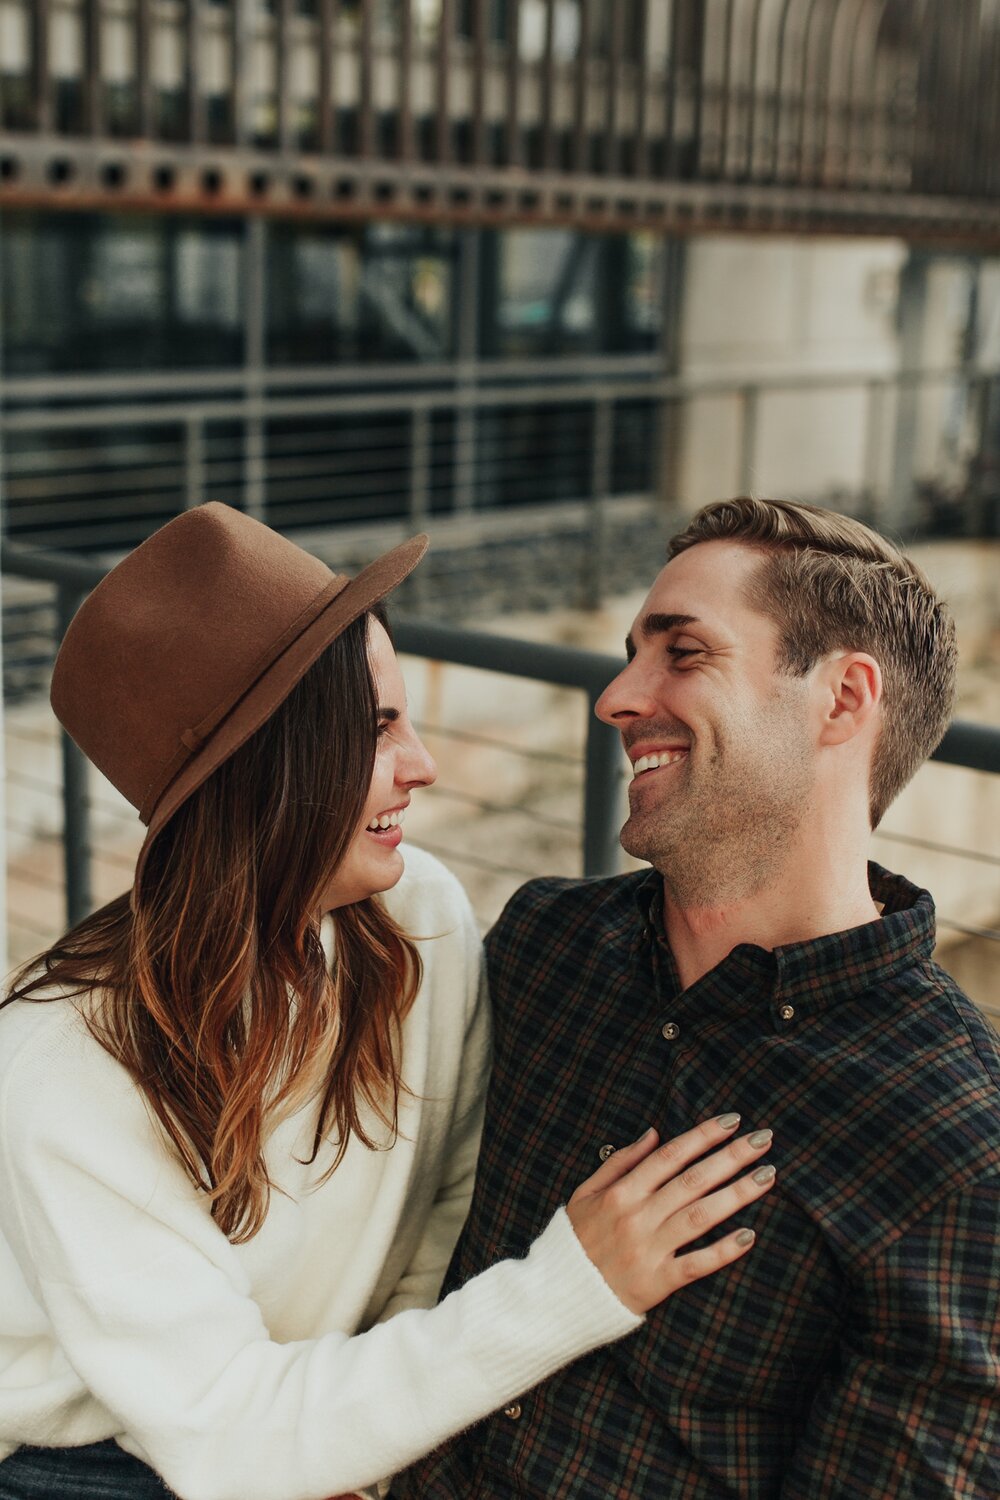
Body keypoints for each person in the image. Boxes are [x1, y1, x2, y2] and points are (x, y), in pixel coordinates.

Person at [0, 502, 778, 1500]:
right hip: (89, 1462)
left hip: (286, 1425)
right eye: (377, 730)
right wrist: (574, 1285)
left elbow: (436, 1203)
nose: (423, 763)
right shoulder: (63, 1066)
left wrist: (360, 1452)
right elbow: (225, 1441)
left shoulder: (423, 917)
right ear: (268, 772)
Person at [400, 497, 1000, 1499]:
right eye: (633, 653)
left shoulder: (956, 1147)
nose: (616, 698)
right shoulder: (542, 946)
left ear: (843, 701)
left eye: (682, 654)